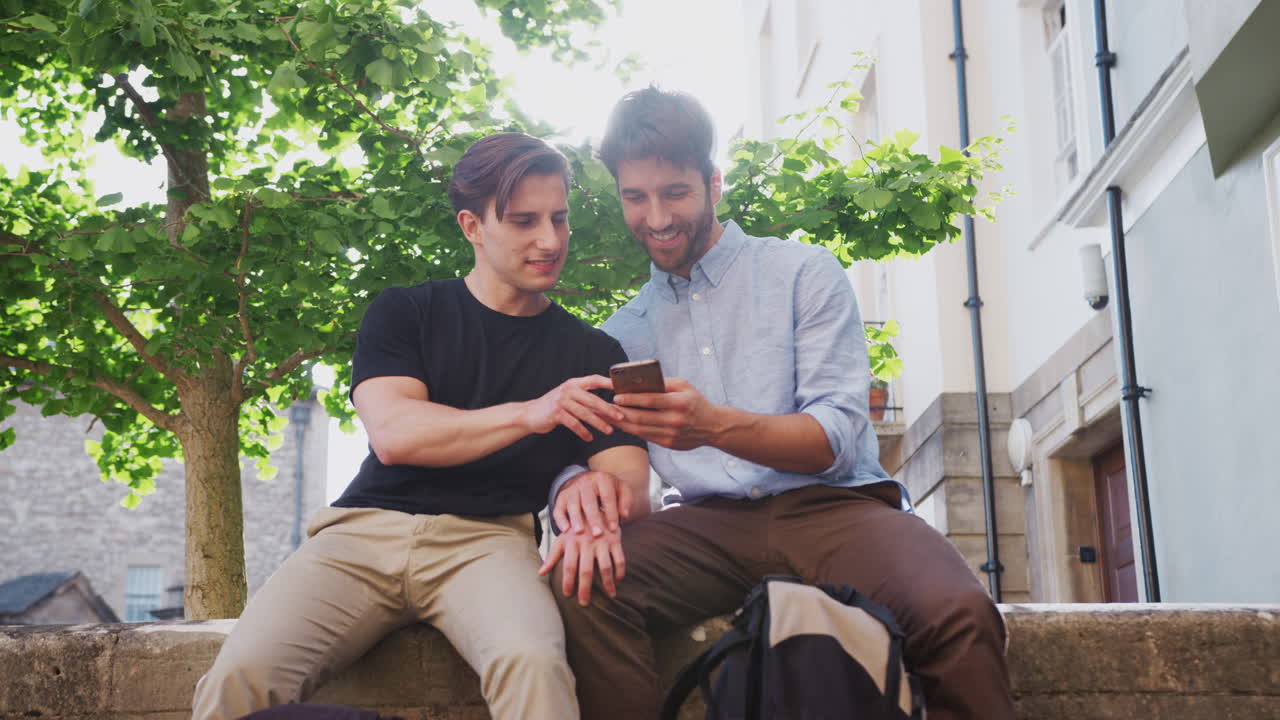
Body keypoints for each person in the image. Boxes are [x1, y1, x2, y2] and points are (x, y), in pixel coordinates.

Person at [549, 88, 1015, 720]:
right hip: (704, 525)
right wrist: (573, 483)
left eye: (675, 193)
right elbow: (591, 447)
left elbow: (834, 440)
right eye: (636, 197)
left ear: (714, 184)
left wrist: (713, 426)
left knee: (958, 613)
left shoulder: (804, 273)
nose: (656, 217)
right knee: (583, 586)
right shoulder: (619, 334)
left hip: (836, 507)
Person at [191, 132, 651, 720]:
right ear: (472, 226)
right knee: (239, 677)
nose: (550, 240)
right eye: (524, 221)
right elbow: (397, 434)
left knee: (533, 665)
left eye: (559, 219)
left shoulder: (593, 351)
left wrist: (588, 490)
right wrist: (530, 413)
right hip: (359, 536)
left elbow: (630, 485)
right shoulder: (405, 310)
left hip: (489, 544)